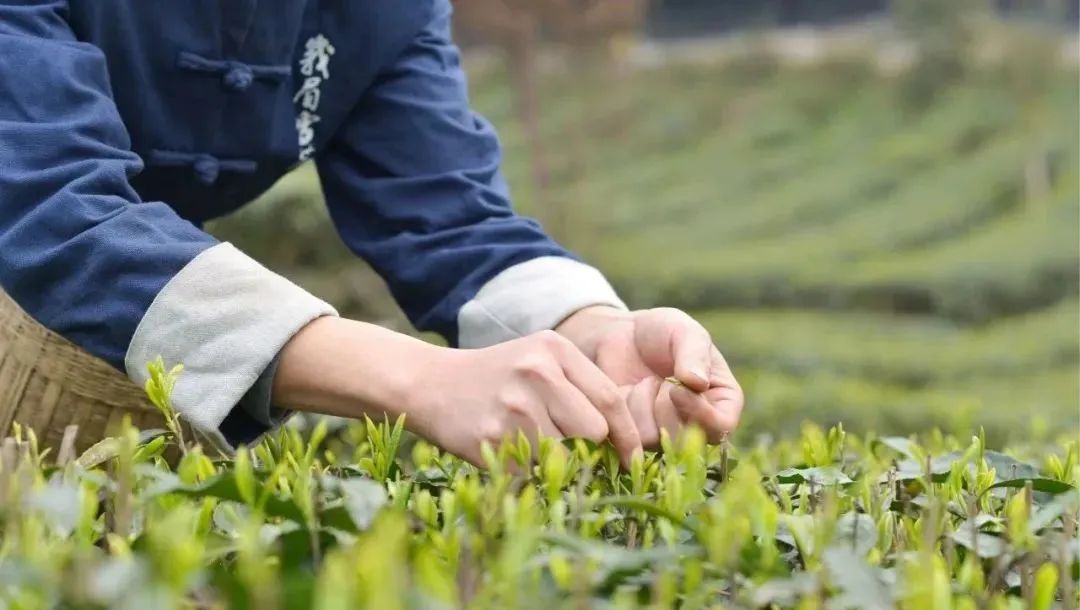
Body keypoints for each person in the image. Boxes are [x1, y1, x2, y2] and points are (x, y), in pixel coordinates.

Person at [0, 0, 743, 465]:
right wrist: (419, 380)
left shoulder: (387, 14)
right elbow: (55, 206)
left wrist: (590, 330)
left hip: (133, 347)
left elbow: (449, 215)